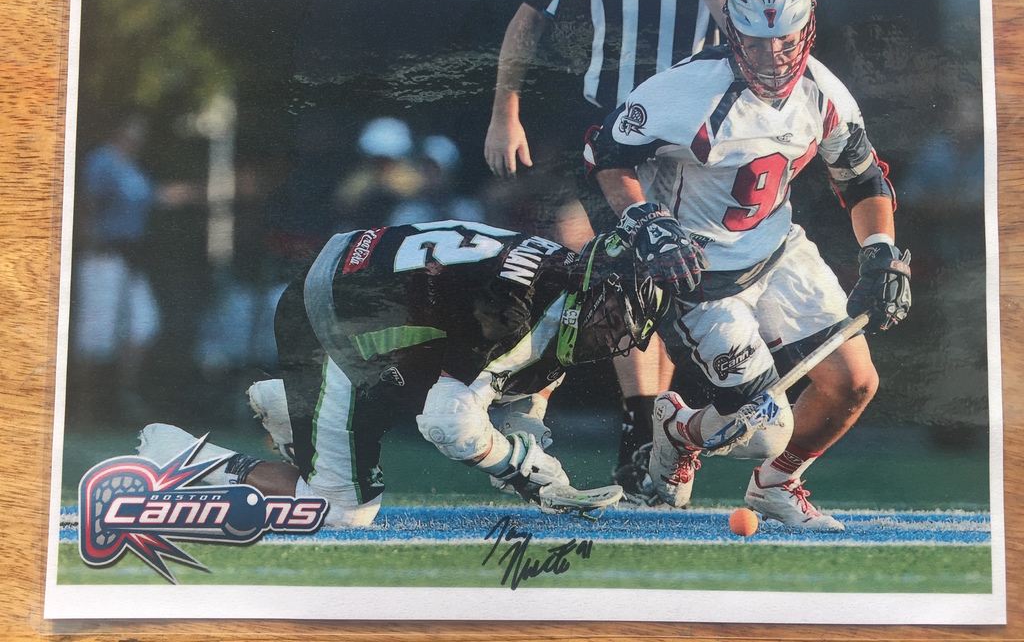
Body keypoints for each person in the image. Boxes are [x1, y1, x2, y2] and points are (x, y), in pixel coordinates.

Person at [587, 0, 912, 529]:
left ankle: (776, 485)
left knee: (855, 383)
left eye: (785, 38)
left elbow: (862, 178)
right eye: (757, 41)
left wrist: (880, 250)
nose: (773, 54)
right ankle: (678, 429)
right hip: (700, 273)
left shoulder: (822, 91)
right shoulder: (688, 89)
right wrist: (645, 220)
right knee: (764, 429)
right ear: (732, 31)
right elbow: (605, 153)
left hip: (779, 250)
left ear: (807, 25)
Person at [138, 220, 671, 526]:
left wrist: (528, 420)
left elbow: (533, 363)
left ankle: (295, 406)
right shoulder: (512, 310)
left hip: (356, 283)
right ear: (597, 284)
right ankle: (186, 457)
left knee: (422, 377)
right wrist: (523, 468)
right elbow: (447, 423)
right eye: (613, 318)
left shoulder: (558, 275)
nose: (614, 338)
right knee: (342, 511)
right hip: (336, 314)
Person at [484, 0, 750, 489]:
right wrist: (505, 110)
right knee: (628, 274)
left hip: (693, 149)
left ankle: (647, 438)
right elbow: (529, 15)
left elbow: (742, 25)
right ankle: (633, 438)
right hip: (614, 144)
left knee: (668, 281)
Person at [71, 114, 197, 422]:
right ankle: (82, 405)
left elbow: (155, 196)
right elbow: (88, 203)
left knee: (143, 324)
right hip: (104, 255)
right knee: (95, 334)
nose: (137, 139)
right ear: (117, 130)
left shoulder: (132, 168)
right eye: (131, 131)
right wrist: (90, 244)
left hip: (131, 258)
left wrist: (197, 191)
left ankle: (123, 395)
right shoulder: (101, 161)